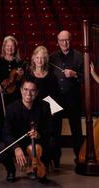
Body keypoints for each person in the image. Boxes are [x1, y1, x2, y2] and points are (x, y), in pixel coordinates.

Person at [0, 78, 52, 183]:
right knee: (1, 149)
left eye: (32, 90)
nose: (28, 93)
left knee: (52, 143)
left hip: (37, 142)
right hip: (18, 142)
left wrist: (39, 134)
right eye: (26, 89)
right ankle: (11, 171)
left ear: (36, 92)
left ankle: (41, 169)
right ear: (21, 90)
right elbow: (6, 132)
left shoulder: (44, 106)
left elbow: (50, 128)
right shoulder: (12, 108)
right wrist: (16, 147)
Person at [49, 30, 84, 162]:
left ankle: (79, 157)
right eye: (62, 40)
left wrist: (75, 74)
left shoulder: (79, 56)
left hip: (73, 99)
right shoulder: (52, 57)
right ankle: (55, 158)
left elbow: (85, 78)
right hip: (56, 99)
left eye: (67, 40)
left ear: (71, 40)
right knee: (55, 130)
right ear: (58, 42)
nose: (65, 43)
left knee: (76, 130)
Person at [26, 46, 61, 168]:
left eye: (42, 58)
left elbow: (55, 96)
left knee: (53, 131)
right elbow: (26, 94)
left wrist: (51, 110)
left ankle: (52, 158)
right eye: (37, 57)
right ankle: (34, 157)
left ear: (45, 60)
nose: (40, 60)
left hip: (48, 110)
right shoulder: (29, 75)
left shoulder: (51, 76)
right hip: (33, 110)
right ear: (34, 59)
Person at [0, 35, 24, 146]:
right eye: (8, 46)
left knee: (14, 122)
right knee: (0, 123)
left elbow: (22, 83)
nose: (10, 48)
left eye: (12, 46)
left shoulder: (19, 63)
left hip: (15, 97)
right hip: (1, 95)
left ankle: (15, 148)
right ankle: (0, 149)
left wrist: (21, 76)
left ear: (15, 48)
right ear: (4, 47)